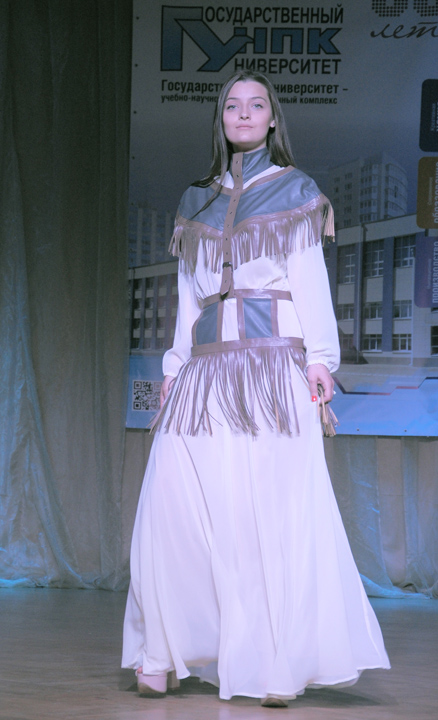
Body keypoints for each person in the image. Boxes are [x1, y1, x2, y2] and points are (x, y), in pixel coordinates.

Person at [122, 70, 390, 708]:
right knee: (172, 508)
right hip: (205, 373)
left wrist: (321, 360)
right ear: (221, 118)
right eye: (232, 105)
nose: (243, 114)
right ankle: (162, 651)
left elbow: (309, 279)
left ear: (272, 119)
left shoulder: (295, 190)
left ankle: (275, 665)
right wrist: (173, 368)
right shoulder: (196, 201)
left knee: (269, 514)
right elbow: (187, 297)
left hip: (272, 370)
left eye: (256, 104)